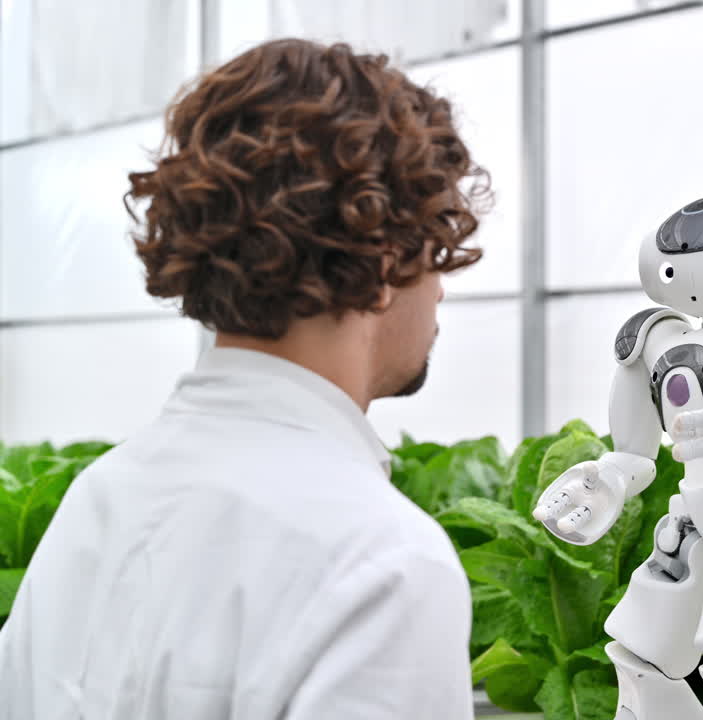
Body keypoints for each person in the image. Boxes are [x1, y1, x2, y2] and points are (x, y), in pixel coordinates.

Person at [0, 38, 488, 719]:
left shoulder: (99, 501)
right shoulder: (385, 564)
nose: (439, 292)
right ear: (384, 262)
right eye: (436, 252)